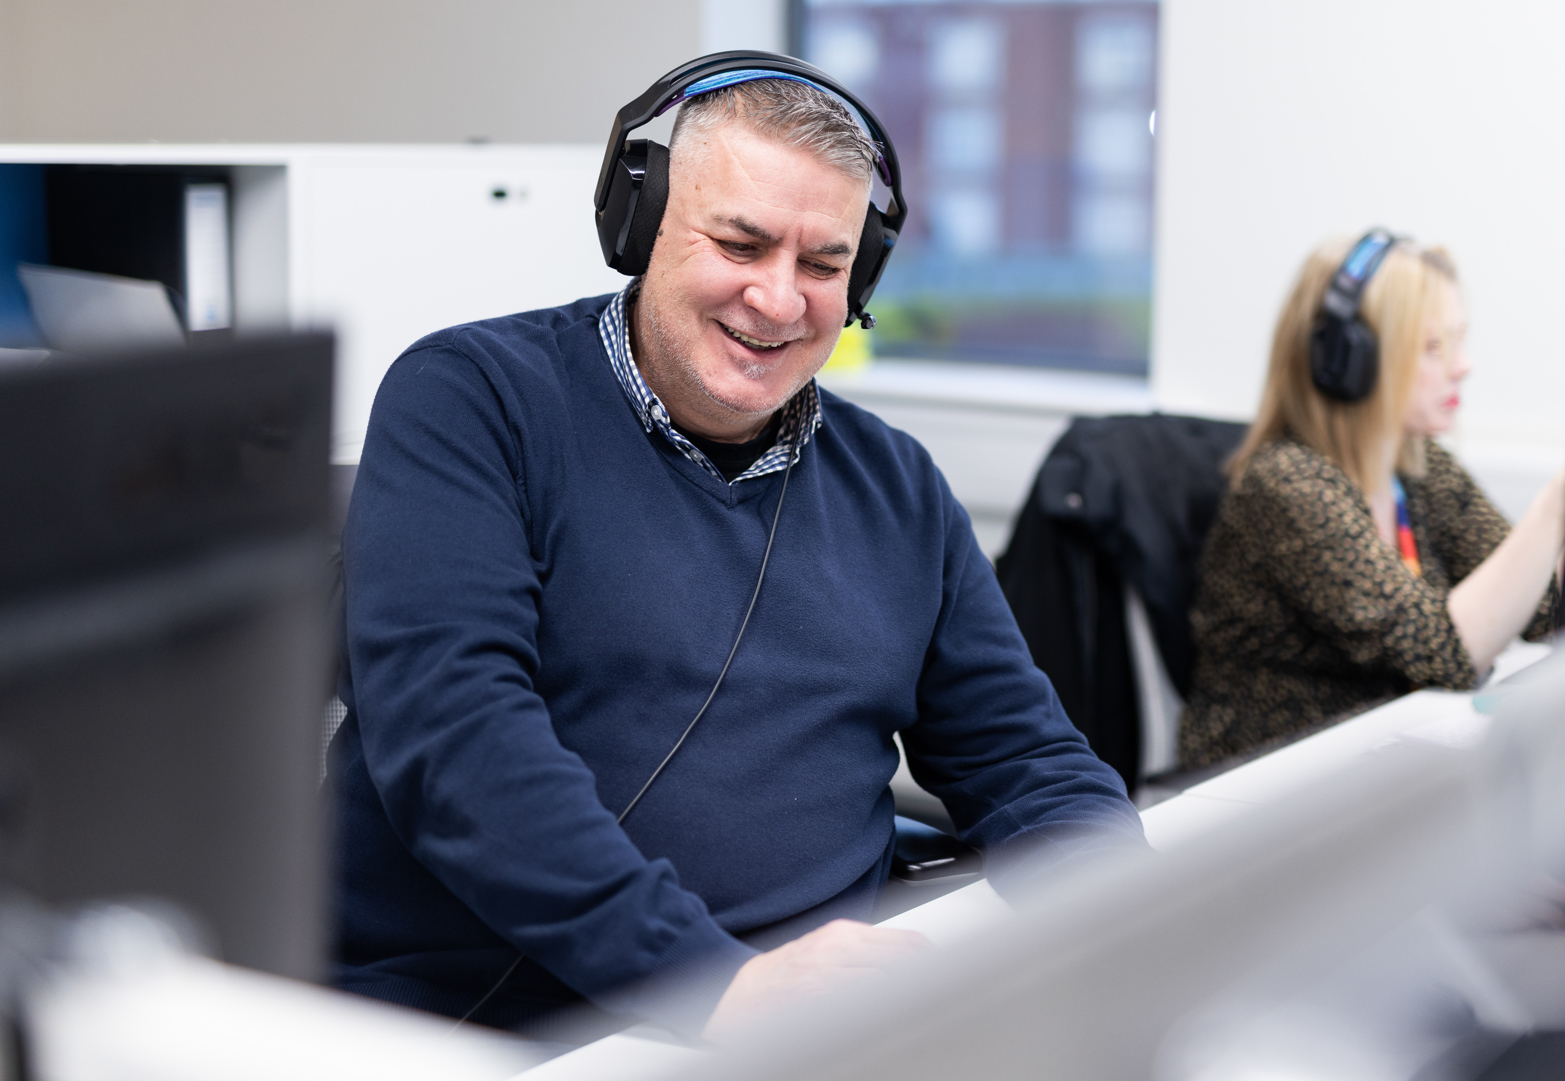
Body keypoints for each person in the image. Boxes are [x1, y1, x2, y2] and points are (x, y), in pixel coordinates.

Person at [329, 58, 1142, 1039]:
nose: (778, 299)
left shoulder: (900, 487)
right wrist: (711, 982)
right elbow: (457, 744)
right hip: (500, 1032)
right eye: (741, 243)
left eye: (822, 265)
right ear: (642, 226)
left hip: (810, 1030)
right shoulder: (473, 401)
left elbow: (1028, 761)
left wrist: (1141, 931)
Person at [1177, 234, 1565, 770]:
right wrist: (1558, 501)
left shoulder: (1418, 467)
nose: (1463, 366)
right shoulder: (1287, 485)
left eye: (1459, 341)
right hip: (1265, 796)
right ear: (1348, 362)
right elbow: (1443, 655)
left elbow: (1542, 608)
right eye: (1433, 347)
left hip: (1384, 769)